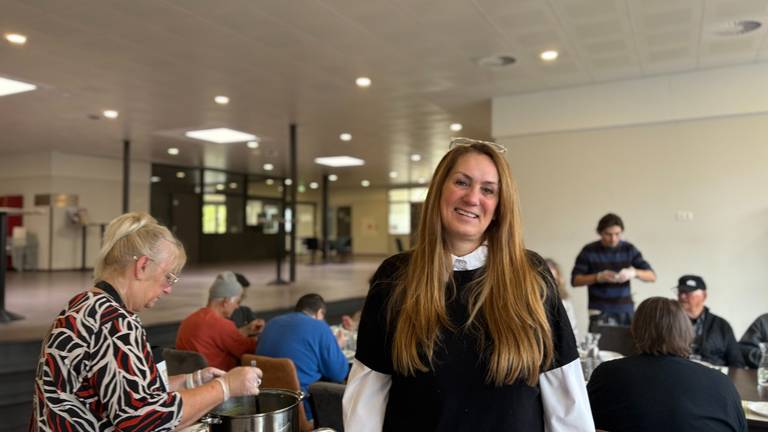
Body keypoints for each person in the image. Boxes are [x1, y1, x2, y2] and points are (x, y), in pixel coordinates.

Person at [343, 138, 592, 431]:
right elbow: (368, 395)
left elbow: (564, 393)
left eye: (488, 190)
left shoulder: (531, 275)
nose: (473, 198)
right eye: (462, 182)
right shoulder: (395, 276)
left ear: (500, 207)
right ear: (439, 191)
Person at [30, 212, 262, 431]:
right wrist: (225, 387)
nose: (169, 289)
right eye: (168, 277)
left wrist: (190, 381)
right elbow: (146, 420)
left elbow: (124, 391)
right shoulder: (116, 322)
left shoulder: (83, 303)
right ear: (142, 266)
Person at [588, 297, 747, 432]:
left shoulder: (606, 375)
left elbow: (580, 423)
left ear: (635, 330)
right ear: (686, 332)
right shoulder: (722, 384)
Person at [256, 293, 349, 422]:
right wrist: (336, 347)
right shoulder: (319, 326)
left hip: (265, 405)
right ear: (320, 313)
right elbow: (339, 373)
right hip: (302, 407)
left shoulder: (272, 322)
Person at [571, 213, 656, 329]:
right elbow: (575, 280)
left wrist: (634, 273)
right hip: (599, 309)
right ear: (600, 232)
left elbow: (651, 276)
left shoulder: (629, 249)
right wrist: (598, 277)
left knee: (627, 345)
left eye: (617, 234)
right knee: (600, 346)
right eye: (608, 234)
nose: (613, 239)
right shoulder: (589, 251)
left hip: (625, 310)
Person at [176, 271, 261, 370]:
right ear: (226, 302)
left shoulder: (188, 321)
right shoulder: (222, 325)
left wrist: (246, 330)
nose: (237, 307)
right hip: (217, 380)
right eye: (237, 302)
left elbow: (221, 339)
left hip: (190, 379)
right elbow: (250, 350)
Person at [675, 274, 744, 367]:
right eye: (680, 292)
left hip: (714, 378)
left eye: (688, 292)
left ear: (704, 295)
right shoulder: (670, 323)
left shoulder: (722, 326)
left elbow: (737, 363)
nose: (682, 296)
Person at [546, 258, 578, 340]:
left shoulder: (565, 302)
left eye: (554, 280)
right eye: (546, 280)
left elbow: (573, 329)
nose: (550, 284)